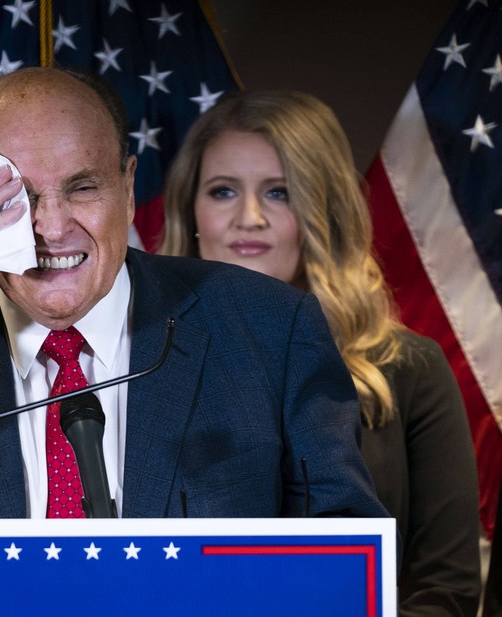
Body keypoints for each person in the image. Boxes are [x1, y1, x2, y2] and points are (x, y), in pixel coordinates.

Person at [0, 68, 388, 537]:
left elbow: (338, 554)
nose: (52, 226)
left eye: (83, 187)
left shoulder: (268, 330)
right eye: (17, 197)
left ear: (127, 185)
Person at [159, 89, 481, 616]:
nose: (250, 217)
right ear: (189, 209)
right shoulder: (127, 365)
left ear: (322, 211)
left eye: (280, 193)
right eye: (222, 191)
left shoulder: (411, 369)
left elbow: (448, 590)